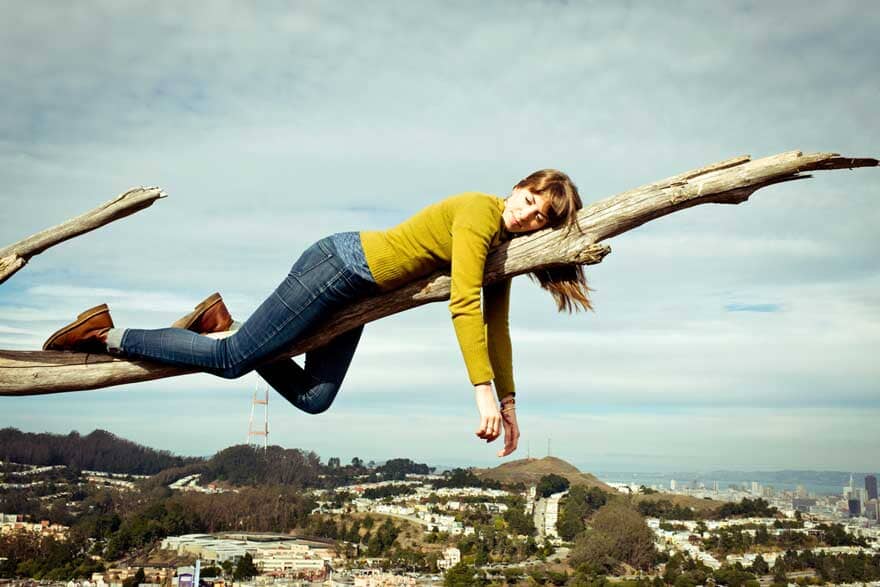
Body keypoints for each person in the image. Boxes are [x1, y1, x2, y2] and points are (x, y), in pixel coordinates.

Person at [42, 169, 591, 457]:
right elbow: (464, 303)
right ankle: (108, 334)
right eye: (527, 200)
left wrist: (511, 401)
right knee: (232, 361)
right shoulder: (477, 211)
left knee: (315, 398)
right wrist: (481, 393)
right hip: (338, 267)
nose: (527, 216)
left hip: (358, 301)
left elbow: (499, 326)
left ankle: (225, 322)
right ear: (516, 186)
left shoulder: (499, 249)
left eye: (540, 218)